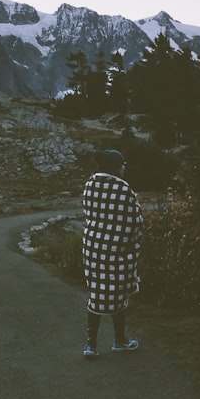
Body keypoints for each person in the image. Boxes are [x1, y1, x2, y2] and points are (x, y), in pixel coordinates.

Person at [81, 148, 142, 357]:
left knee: (96, 292)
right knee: (118, 293)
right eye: (123, 163)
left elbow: (89, 214)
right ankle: (119, 340)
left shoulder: (89, 185)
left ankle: (91, 344)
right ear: (115, 166)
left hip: (93, 248)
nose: (125, 166)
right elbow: (135, 222)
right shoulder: (124, 189)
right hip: (117, 251)